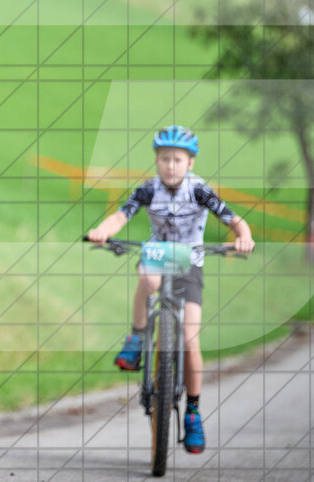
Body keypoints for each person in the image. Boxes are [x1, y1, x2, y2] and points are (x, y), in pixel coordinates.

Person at [86, 125, 255, 454]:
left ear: (190, 163)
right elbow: (121, 216)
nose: (170, 165)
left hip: (190, 262)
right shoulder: (148, 189)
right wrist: (101, 231)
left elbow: (234, 220)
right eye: (164, 159)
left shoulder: (201, 191)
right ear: (157, 160)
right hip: (158, 255)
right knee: (147, 279)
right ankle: (136, 338)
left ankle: (192, 411)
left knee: (191, 340)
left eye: (177, 159)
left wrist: (243, 237)